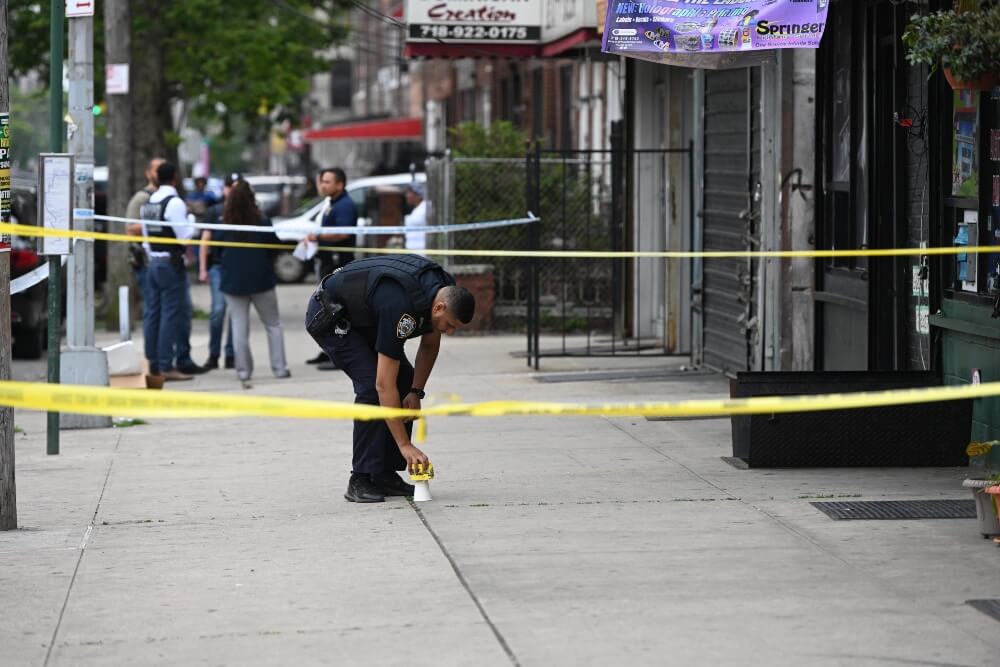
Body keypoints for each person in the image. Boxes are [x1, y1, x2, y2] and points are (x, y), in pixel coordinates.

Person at [305, 255, 476, 503]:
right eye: (449, 325)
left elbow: (429, 346)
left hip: (366, 314)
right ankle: (360, 478)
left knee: (405, 381)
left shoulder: (442, 288)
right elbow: (383, 385)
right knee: (371, 388)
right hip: (331, 315)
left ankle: (384, 474)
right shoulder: (401, 307)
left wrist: (416, 392)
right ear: (439, 308)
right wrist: (405, 444)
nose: (449, 331)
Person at [219, 178, 291, 388]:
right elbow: (274, 248)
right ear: (252, 199)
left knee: (239, 329)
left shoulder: (224, 224)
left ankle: (243, 371)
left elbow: (217, 252)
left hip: (233, 281)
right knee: (273, 325)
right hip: (261, 279)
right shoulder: (263, 222)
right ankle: (280, 368)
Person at [138, 161, 199, 381]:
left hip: (153, 261)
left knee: (153, 313)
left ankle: (153, 362)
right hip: (170, 264)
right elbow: (184, 236)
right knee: (170, 314)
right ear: (174, 177)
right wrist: (192, 219)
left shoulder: (149, 203)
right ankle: (166, 365)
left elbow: (145, 238)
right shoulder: (174, 203)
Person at [306, 168, 358, 370]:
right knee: (326, 308)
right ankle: (328, 350)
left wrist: (317, 238)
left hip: (339, 264)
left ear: (340, 184)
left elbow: (343, 234)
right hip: (328, 262)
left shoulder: (344, 205)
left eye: (328, 181)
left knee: (335, 308)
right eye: (322, 181)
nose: (323, 185)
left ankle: (339, 354)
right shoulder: (332, 203)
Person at [198, 173, 237, 370]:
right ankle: (213, 355)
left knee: (234, 312)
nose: (232, 190)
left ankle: (231, 354)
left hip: (237, 267)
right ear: (225, 189)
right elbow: (205, 240)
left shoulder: (244, 212)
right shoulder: (214, 211)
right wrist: (203, 268)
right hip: (218, 266)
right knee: (218, 311)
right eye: (230, 186)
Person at [403, 182, 428, 254]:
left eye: (410, 193)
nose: (407, 196)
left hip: (422, 252)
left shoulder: (425, 207)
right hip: (413, 252)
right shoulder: (416, 209)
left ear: (418, 195)